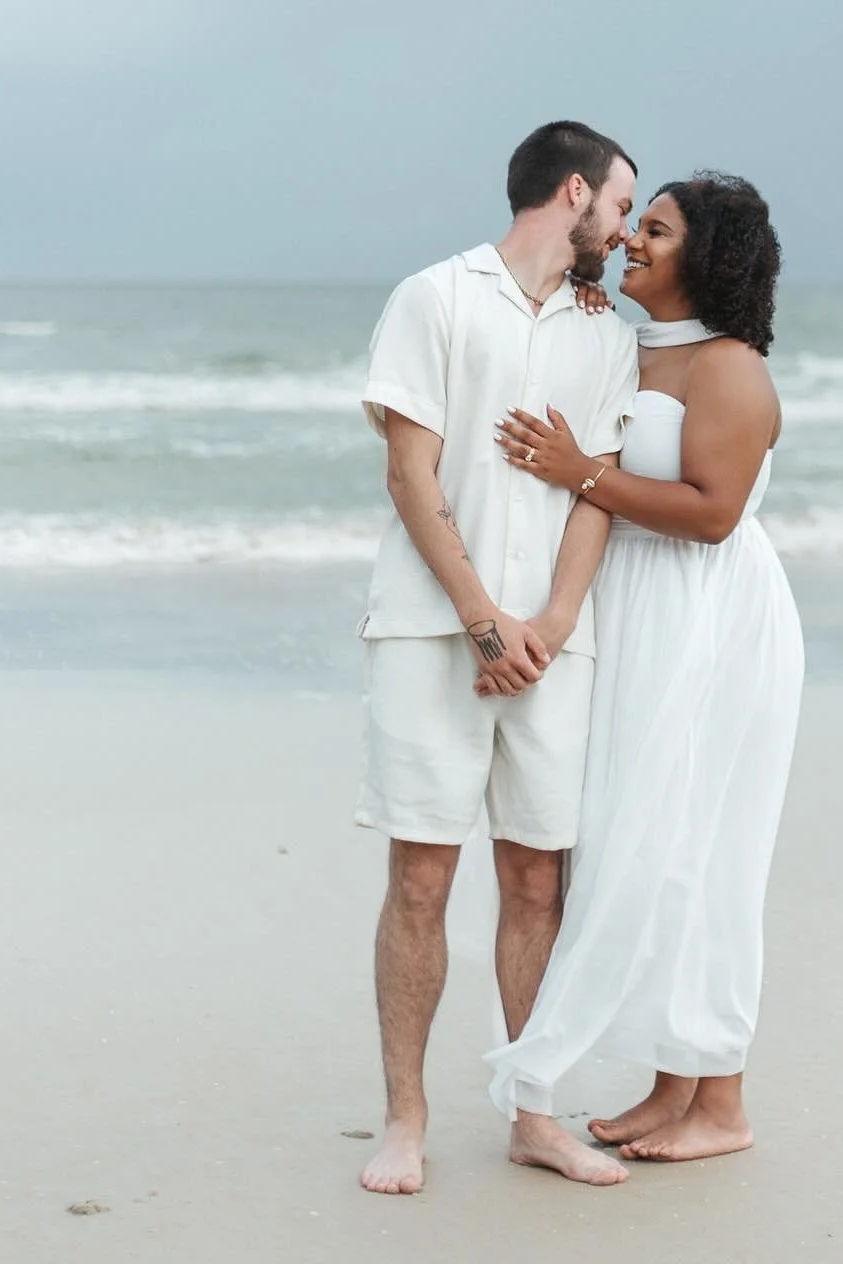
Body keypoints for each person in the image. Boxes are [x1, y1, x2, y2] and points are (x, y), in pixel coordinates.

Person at [484, 172, 804, 1178]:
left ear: (703, 256)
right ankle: (675, 1081)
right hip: (642, 612)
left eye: (654, 232)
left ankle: (726, 1100)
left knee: (704, 850)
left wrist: (577, 471)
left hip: (712, 619)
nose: (633, 243)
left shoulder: (731, 370)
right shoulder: (639, 344)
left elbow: (712, 513)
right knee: (650, 840)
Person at [355, 120, 639, 1194]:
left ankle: (534, 1112)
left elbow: (597, 485)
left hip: (557, 649)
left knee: (537, 878)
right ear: (574, 192)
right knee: (422, 875)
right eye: (619, 205)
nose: (621, 227)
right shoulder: (434, 298)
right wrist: (485, 620)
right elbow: (409, 478)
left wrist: (553, 625)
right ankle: (405, 1121)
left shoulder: (604, 328)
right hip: (434, 634)